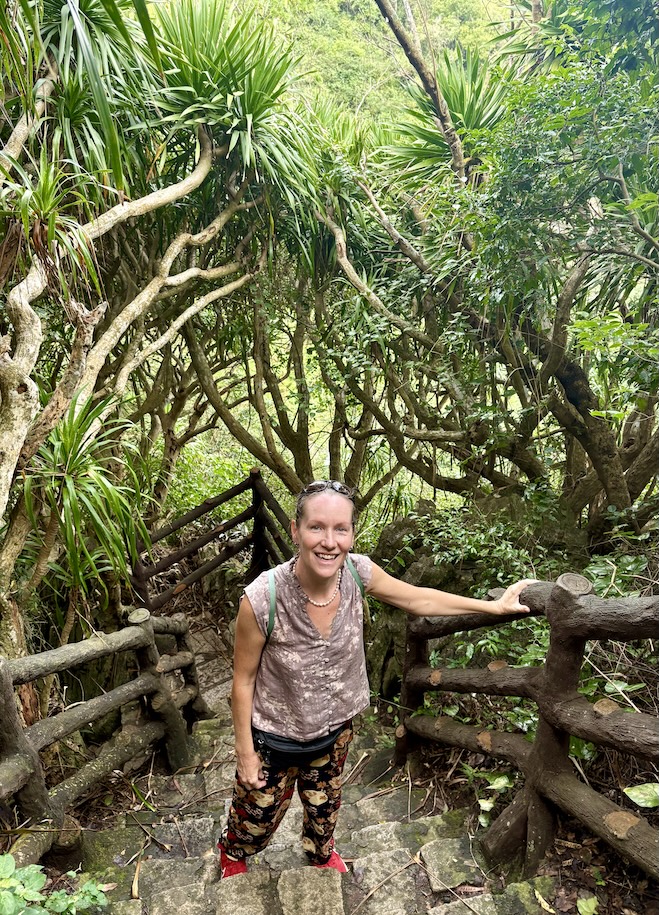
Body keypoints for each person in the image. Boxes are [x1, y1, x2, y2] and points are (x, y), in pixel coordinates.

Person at [218, 480, 535, 878]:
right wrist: (245, 754)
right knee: (256, 816)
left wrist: (493, 606)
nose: (328, 541)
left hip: (334, 733)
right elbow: (242, 681)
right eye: (316, 527)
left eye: (341, 529)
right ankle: (234, 852)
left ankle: (319, 852)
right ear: (296, 530)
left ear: (352, 533)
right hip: (273, 739)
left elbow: (418, 598)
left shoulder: (357, 571)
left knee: (325, 806)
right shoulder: (263, 598)